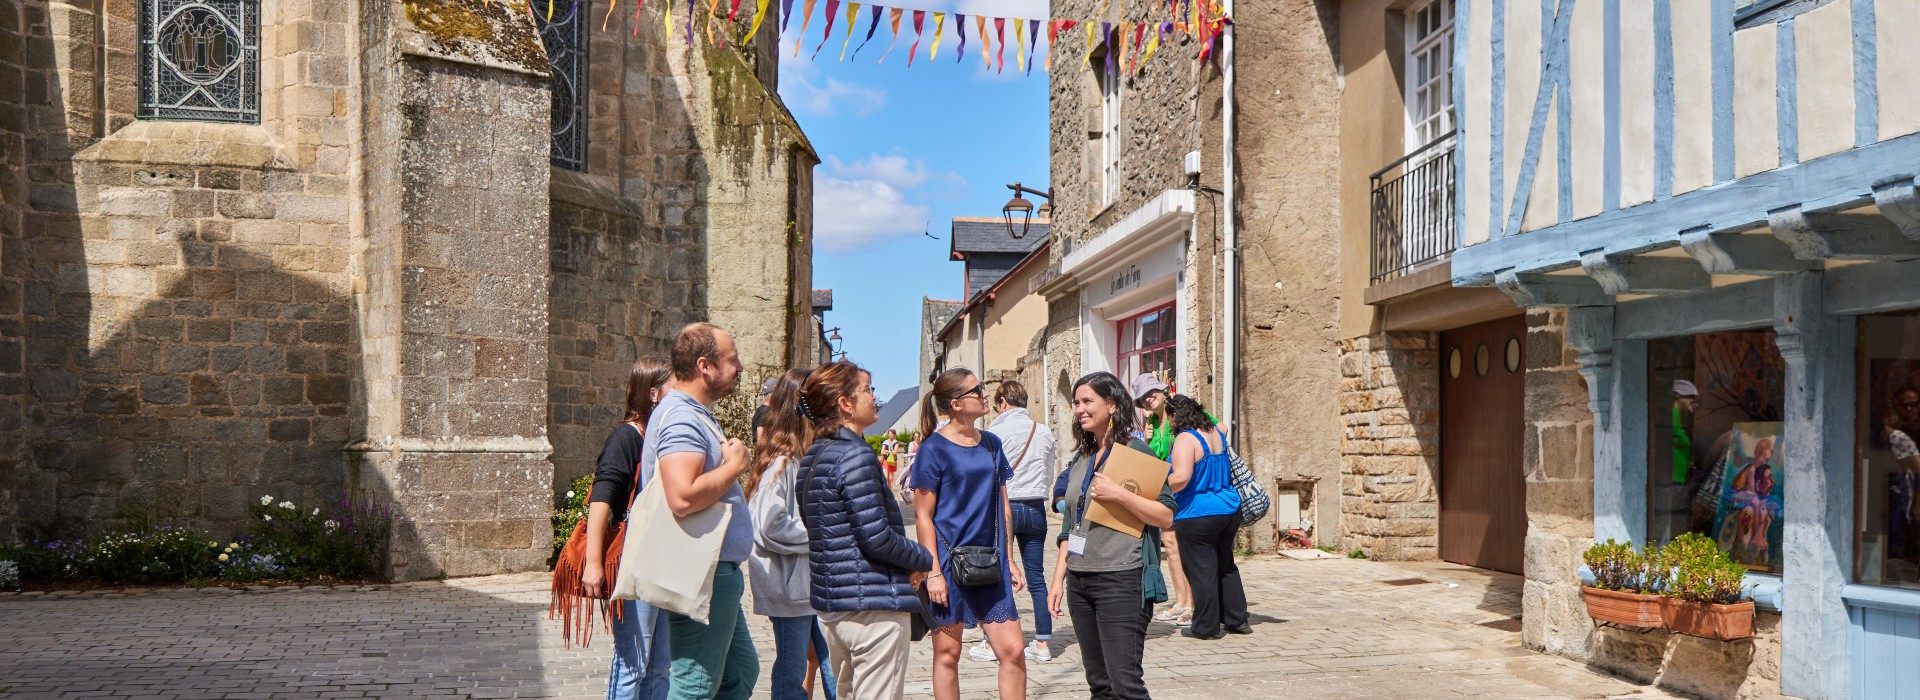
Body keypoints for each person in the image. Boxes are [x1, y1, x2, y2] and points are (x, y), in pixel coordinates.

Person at [797, 361, 934, 700]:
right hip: (872, 609)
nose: (874, 397)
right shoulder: (855, 455)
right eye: (868, 390)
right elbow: (877, 538)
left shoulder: (812, 457)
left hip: (834, 605)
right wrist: (923, 557)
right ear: (845, 403)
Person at [1047, 372, 1177, 700]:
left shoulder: (1137, 453)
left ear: (1112, 404)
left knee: (1126, 685)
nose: (1079, 409)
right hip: (1080, 581)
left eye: (1087, 401)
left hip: (1122, 579)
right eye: (1076, 402)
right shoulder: (1082, 457)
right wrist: (1058, 579)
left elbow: (1165, 516)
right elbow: (1071, 525)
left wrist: (1120, 495)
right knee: (1100, 686)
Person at [649, 322, 757, 700]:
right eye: (732, 359)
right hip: (701, 572)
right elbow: (682, 497)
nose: (739, 367)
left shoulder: (690, 412)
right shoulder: (682, 417)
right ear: (704, 365)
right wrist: (734, 466)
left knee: (740, 672)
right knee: (694, 688)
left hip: (711, 572)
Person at [913, 369, 1028, 700]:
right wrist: (932, 572)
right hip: (948, 565)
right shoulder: (932, 449)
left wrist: (1009, 558)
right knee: (948, 655)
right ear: (956, 404)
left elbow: (1002, 507)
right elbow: (923, 515)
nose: (984, 393)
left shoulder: (992, 443)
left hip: (991, 562)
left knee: (1014, 650)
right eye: (976, 390)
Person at [583, 356, 675, 700]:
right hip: (633, 561)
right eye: (673, 387)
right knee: (633, 664)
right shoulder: (627, 435)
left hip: (659, 561)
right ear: (653, 394)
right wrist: (594, 563)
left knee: (660, 665)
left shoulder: (659, 436)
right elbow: (601, 496)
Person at [747, 369, 837, 700]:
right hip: (790, 589)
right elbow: (770, 525)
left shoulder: (799, 458)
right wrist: (823, 535)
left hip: (804, 586)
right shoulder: (782, 462)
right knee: (791, 674)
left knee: (828, 663)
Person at [975, 380, 1058, 664]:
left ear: (1002, 403)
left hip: (1004, 507)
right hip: (1035, 506)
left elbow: (987, 474)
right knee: (1036, 577)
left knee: (997, 574)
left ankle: (991, 643)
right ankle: (1043, 642)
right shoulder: (1044, 432)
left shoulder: (993, 432)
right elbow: (1049, 471)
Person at [1164, 394, 1250, 640]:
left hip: (1197, 511)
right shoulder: (1215, 433)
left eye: (1169, 418)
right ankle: (1236, 619)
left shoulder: (1185, 438)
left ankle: (1206, 626)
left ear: (1176, 416)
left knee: (1201, 569)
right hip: (1228, 507)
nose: (1169, 424)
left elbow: (1181, 477)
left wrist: (1158, 486)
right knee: (1226, 565)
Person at [1131, 374, 1193, 627]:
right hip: (1166, 491)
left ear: (1162, 389)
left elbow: (1217, 428)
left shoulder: (1181, 409)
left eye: (1150, 392)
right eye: (1142, 397)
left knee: (1183, 546)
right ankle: (1182, 601)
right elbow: (1152, 459)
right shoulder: (1153, 424)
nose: (1147, 399)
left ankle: (1192, 604)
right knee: (1170, 544)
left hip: (1186, 488)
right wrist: (1145, 439)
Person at [1671, 380, 1698, 484]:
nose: (1692, 401)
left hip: (1678, 475)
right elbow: (1679, 439)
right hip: (1674, 476)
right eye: (1690, 396)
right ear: (1678, 396)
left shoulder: (1678, 416)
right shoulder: (1673, 414)